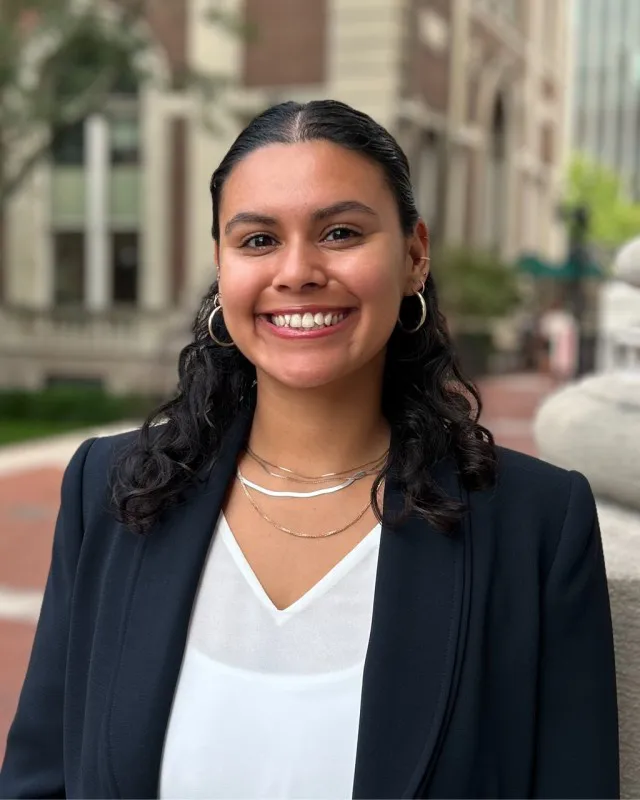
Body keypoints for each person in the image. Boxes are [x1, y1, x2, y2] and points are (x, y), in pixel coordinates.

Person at [0, 100, 618, 799]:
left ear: (414, 255)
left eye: (341, 232)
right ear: (221, 265)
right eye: (258, 240)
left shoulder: (536, 526)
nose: (296, 271)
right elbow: (39, 782)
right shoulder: (111, 490)